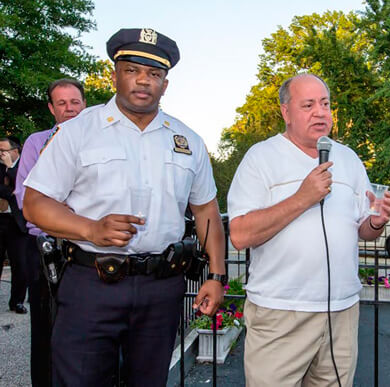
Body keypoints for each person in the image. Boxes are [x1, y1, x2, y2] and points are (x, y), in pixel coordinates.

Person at [23, 28, 226, 386]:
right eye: (132, 70)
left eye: (154, 74)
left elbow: (207, 211)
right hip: (91, 282)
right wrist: (90, 228)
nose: (143, 81)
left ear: (165, 84)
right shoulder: (78, 132)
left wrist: (216, 276)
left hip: (161, 288)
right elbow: (34, 203)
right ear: (115, 74)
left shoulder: (188, 141)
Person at [227, 73, 390, 386]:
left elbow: (363, 230)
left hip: (341, 314)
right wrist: (302, 198)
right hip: (281, 313)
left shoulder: (349, 158)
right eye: (308, 105)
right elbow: (239, 234)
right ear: (286, 112)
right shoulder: (261, 158)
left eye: (325, 103)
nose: (320, 112)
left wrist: (376, 221)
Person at [14, 78, 86, 387]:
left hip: (88, 247)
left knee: (89, 329)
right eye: (62, 103)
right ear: (51, 108)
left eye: (75, 102)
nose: (69, 109)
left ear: (85, 104)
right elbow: (24, 196)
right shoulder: (36, 142)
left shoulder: (102, 142)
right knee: (45, 328)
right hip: (44, 246)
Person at [0, 136, 27, 314]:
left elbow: (23, 189)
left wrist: (10, 168)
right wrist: (12, 193)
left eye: (3, 150)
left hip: (17, 222)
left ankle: (17, 301)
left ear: (15, 151)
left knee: (20, 265)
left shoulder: (25, 166)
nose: (0, 154)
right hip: (0, 219)